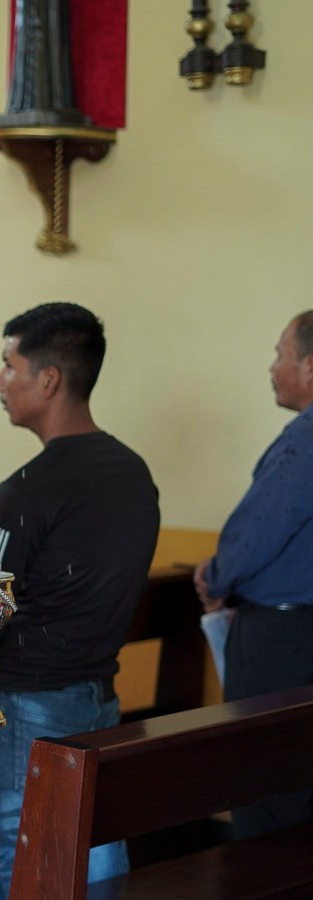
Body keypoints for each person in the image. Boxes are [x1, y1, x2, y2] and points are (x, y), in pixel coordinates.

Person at [0, 302, 159, 899]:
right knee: (94, 852)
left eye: (9, 365)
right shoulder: (133, 473)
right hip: (96, 694)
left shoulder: (27, 489)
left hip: (22, 704)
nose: (0, 381)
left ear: (48, 379)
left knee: (15, 857)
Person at [193, 310, 313, 841]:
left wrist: (215, 577)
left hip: (283, 639)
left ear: (311, 367)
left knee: (266, 787)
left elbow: (260, 530)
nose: (272, 367)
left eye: (280, 354)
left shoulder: (304, 442)